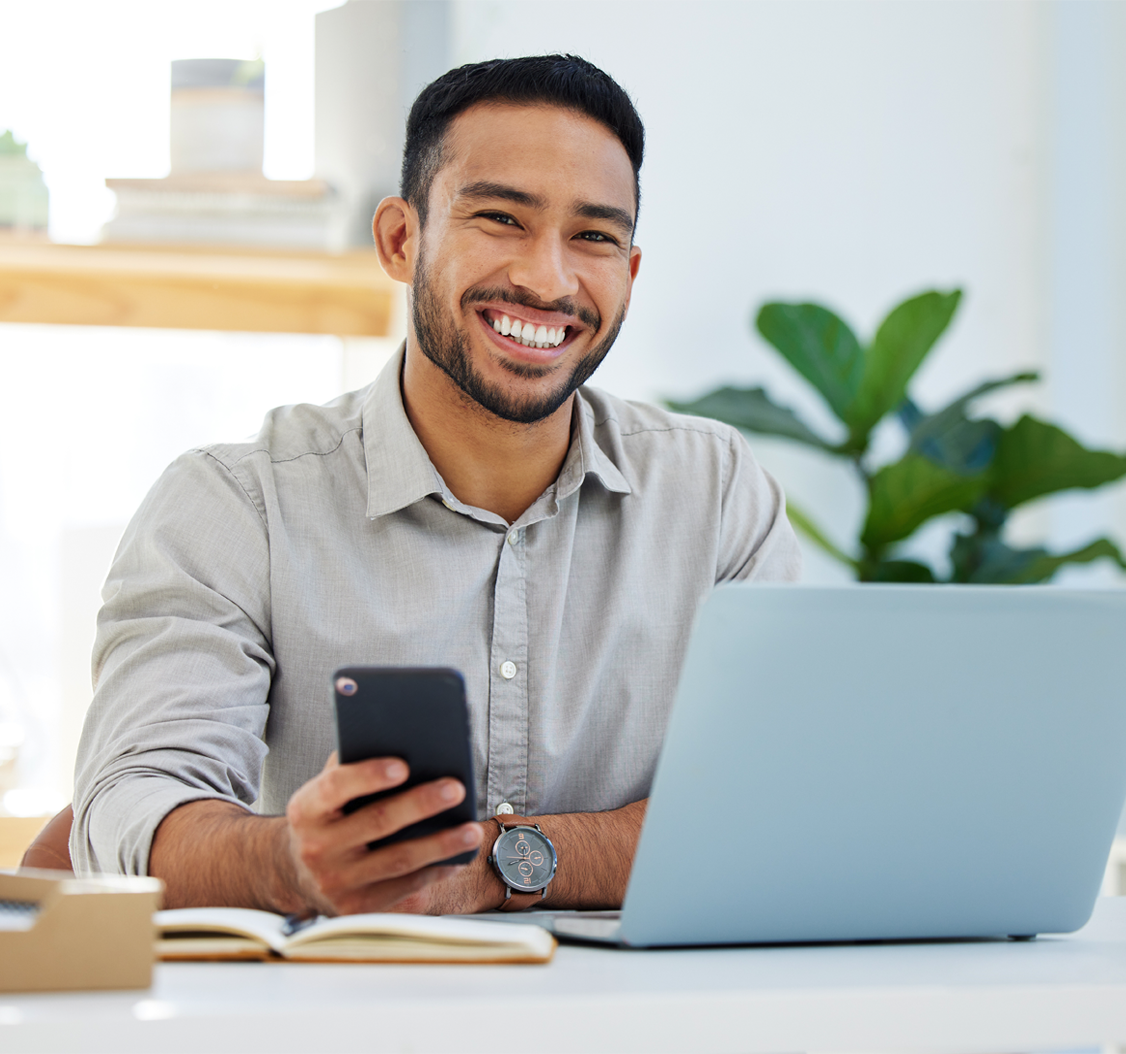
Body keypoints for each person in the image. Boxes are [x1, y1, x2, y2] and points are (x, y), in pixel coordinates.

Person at [71, 54, 801, 916]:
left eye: (594, 237)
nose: (548, 279)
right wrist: (288, 864)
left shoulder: (716, 495)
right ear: (399, 239)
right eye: (500, 218)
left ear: (629, 275)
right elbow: (127, 812)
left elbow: (774, 808)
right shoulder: (236, 505)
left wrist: (499, 865)